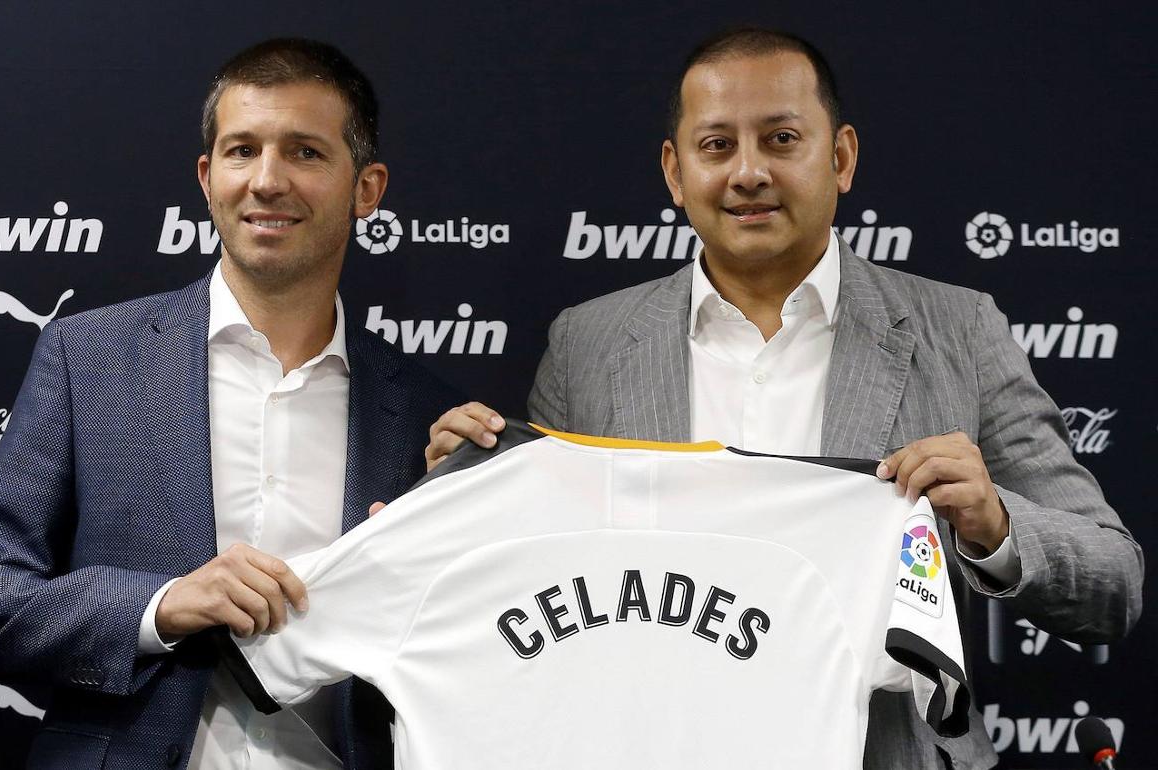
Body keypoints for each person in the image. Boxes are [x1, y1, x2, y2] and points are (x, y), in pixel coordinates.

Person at [425, 27, 1142, 770]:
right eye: (715, 146)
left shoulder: (959, 330)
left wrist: (994, 526)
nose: (748, 172)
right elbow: (539, 583)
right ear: (675, 173)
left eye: (781, 138)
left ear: (840, 158)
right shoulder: (590, 344)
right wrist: (461, 497)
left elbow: (1113, 587)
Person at [0, 38, 458, 770]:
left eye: (305, 152)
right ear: (209, 178)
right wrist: (161, 607)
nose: (267, 181)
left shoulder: (427, 417)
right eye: (243, 151)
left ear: (366, 189)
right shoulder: (88, 358)